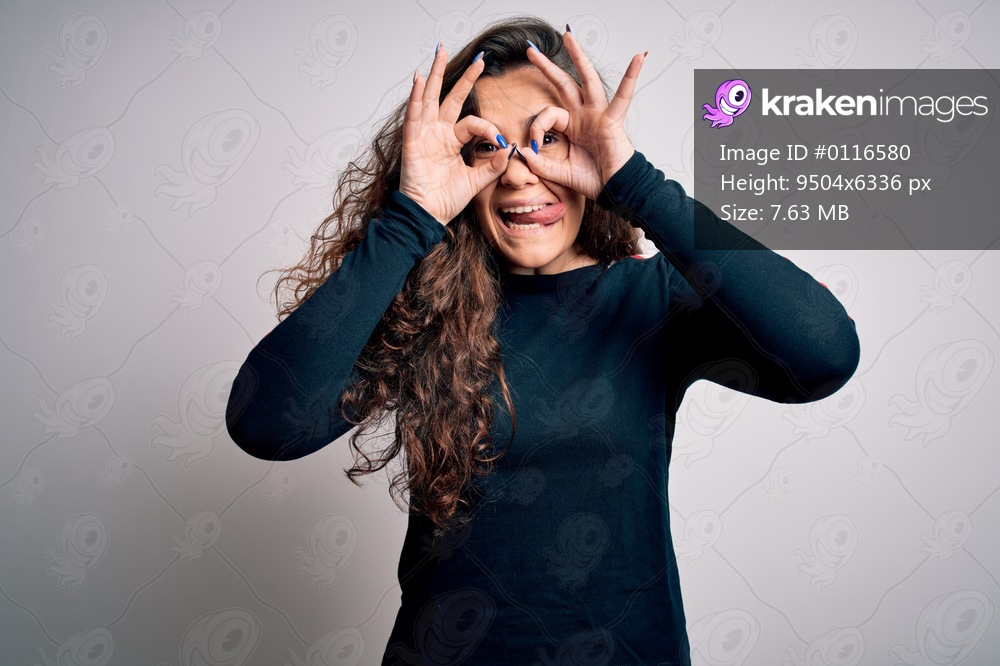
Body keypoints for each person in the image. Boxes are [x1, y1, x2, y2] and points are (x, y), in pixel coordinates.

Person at [225, 16, 860, 665]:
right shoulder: (425, 306)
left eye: (549, 139)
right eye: (491, 145)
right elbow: (266, 421)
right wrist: (410, 219)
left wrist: (635, 182)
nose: (521, 173)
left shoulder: (651, 300)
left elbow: (824, 353)